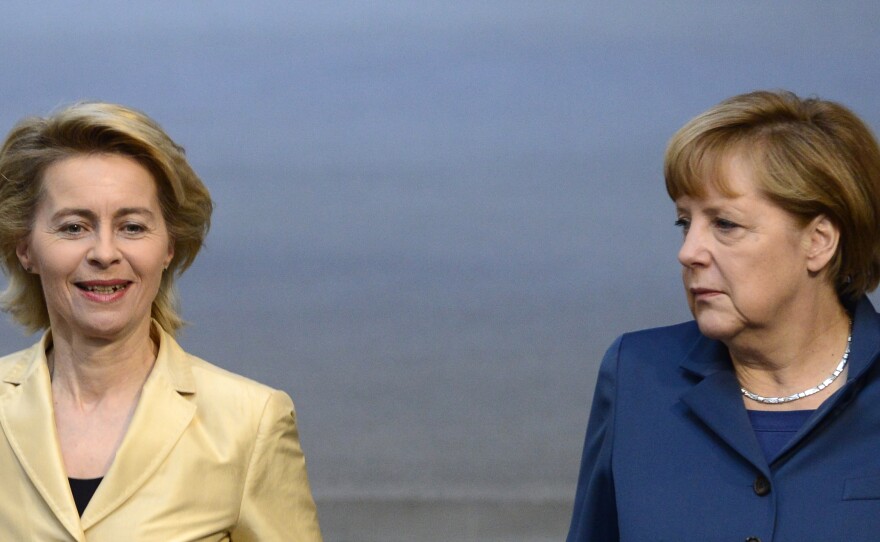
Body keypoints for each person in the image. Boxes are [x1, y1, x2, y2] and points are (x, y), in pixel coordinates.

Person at [566, 90, 880, 541]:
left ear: (818, 242)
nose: (688, 252)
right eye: (684, 222)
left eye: (725, 224)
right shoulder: (635, 375)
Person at [0, 103, 323, 541]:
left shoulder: (249, 423)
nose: (105, 252)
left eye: (132, 227)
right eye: (74, 227)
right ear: (25, 248)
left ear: (168, 246)